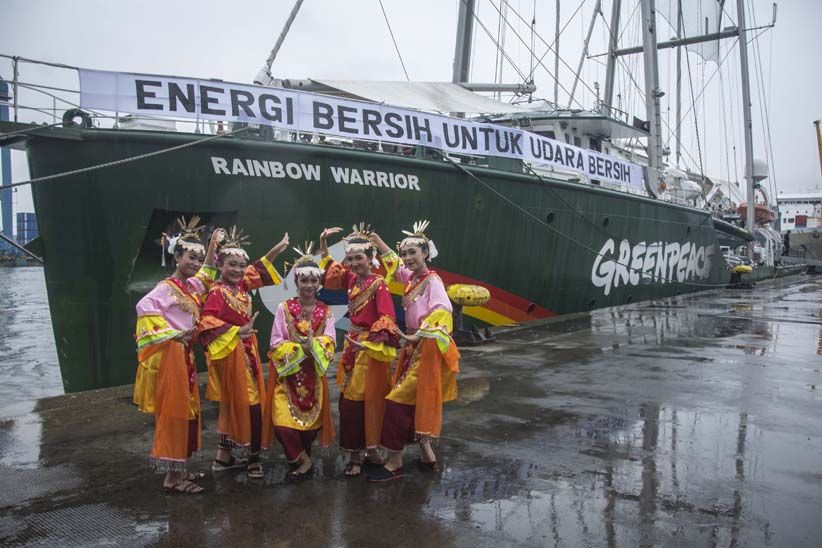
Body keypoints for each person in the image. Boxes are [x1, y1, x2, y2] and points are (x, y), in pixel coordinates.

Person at [133, 217, 225, 494]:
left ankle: (181, 468)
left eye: (198, 258)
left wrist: (212, 246)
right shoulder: (165, 289)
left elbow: (208, 273)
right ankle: (172, 479)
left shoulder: (190, 287)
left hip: (184, 356)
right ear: (177, 257)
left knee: (187, 412)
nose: (196, 263)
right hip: (172, 357)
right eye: (190, 257)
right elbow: (143, 308)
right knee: (175, 414)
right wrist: (171, 335)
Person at [367, 221, 460, 483]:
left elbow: (443, 311)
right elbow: (395, 266)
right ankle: (428, 455)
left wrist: (417, 335)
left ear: (426, 254)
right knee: (413, 401)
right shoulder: (413, 278)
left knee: (396, 401)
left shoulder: (432, 281)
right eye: (405, 253)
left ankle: (395, 462)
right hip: (414, 348)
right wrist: (377, 240)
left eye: (413, 253)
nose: (407, 258)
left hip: (426, 348)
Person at [198, 227, 289, 479]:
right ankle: (253, 458)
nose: (237, 270)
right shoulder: (217, 291)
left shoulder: (240, 286)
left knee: (231, 407)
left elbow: (259, 268)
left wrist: (277, 249)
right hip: (231, 355)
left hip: (245, 353)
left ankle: (223, 457)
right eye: (231, 265)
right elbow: (206, 322)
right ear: (220, 264)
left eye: (240, 265)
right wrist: (237, 331)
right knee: (251, 407)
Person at [319, 224, 399, 477]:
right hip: (353, 347)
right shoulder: (352, 279)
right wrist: (323, 242)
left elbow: (387, 316)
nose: (353, 263)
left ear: (370, 259)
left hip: (370, 349)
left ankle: (371, 450)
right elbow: (332, 270)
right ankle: (356, 454)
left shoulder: (378, 284)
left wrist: (370, 342)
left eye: (358, 258)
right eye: (350, 258)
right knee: (351, 404)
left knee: (371, 401)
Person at [261, 243, 337, 479]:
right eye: (304, 281)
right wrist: (299, 349)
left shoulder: (326, 311)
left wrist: (313, 346)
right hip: (287, 376)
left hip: (313, 376)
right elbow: (275, 341)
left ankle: (304, 456)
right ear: (296, 282)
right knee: (282, 424)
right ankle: (302, 460)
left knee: (309, 429)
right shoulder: (284, 309)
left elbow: (331, 341)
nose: (309, 286)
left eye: (313, 281)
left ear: (319, 283)